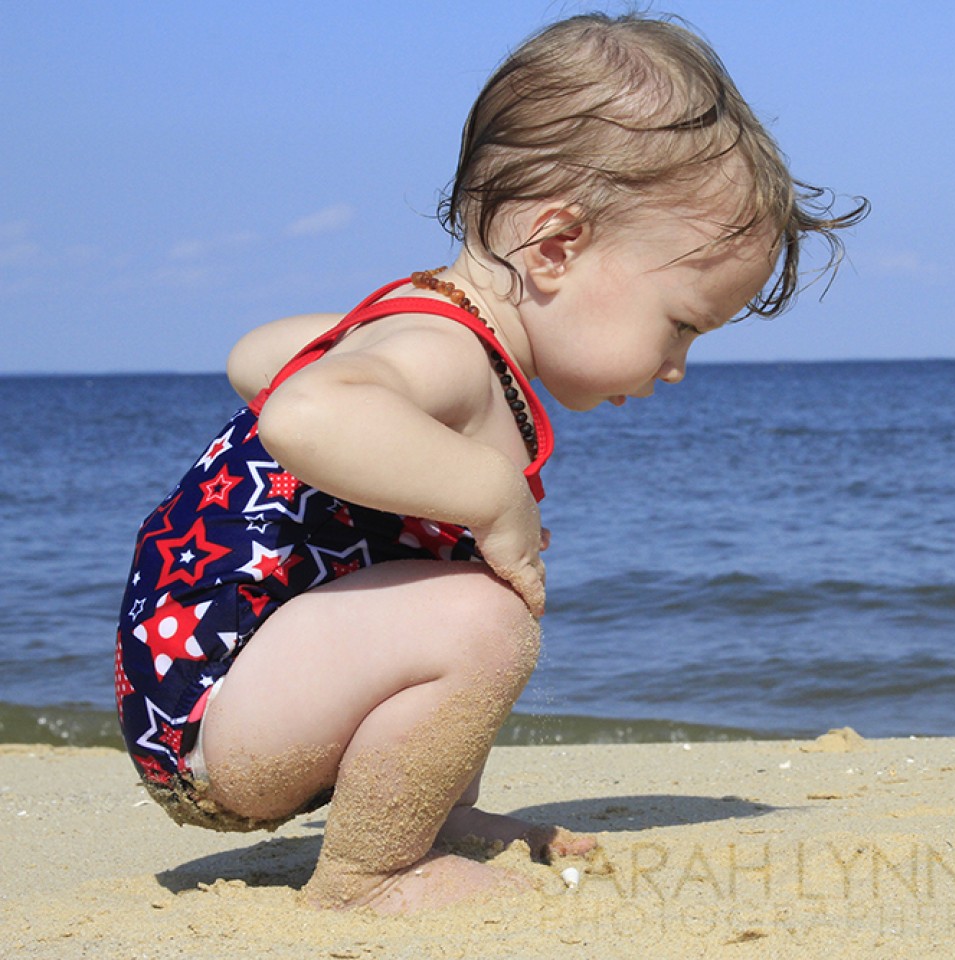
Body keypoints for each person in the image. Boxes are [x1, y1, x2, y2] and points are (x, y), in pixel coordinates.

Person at [114, 12, 865, 913]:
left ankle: (431, 819)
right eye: (680, 326)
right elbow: (303, 409)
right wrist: (489, 491)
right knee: (483, 619)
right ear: (556, 247)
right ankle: (369, 875)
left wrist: (356, 361)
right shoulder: (442, 349)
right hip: (220, 709)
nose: (675, 367)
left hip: (233, 694)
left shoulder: (424, 332)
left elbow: (257, 358)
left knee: (464, 590)